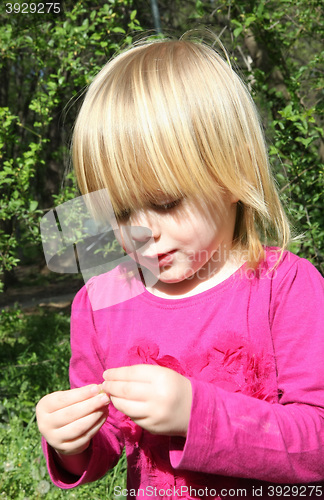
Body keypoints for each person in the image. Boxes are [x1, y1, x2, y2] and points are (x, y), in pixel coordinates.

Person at [36, 34, 324, 499]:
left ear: (234, 174)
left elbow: (317, 441)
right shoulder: (101, 303)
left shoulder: (285, 287)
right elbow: (112, 435)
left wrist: (197, 414)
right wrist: (73, 440)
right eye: (121, 213)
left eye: (166, 202)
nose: (140, 232)